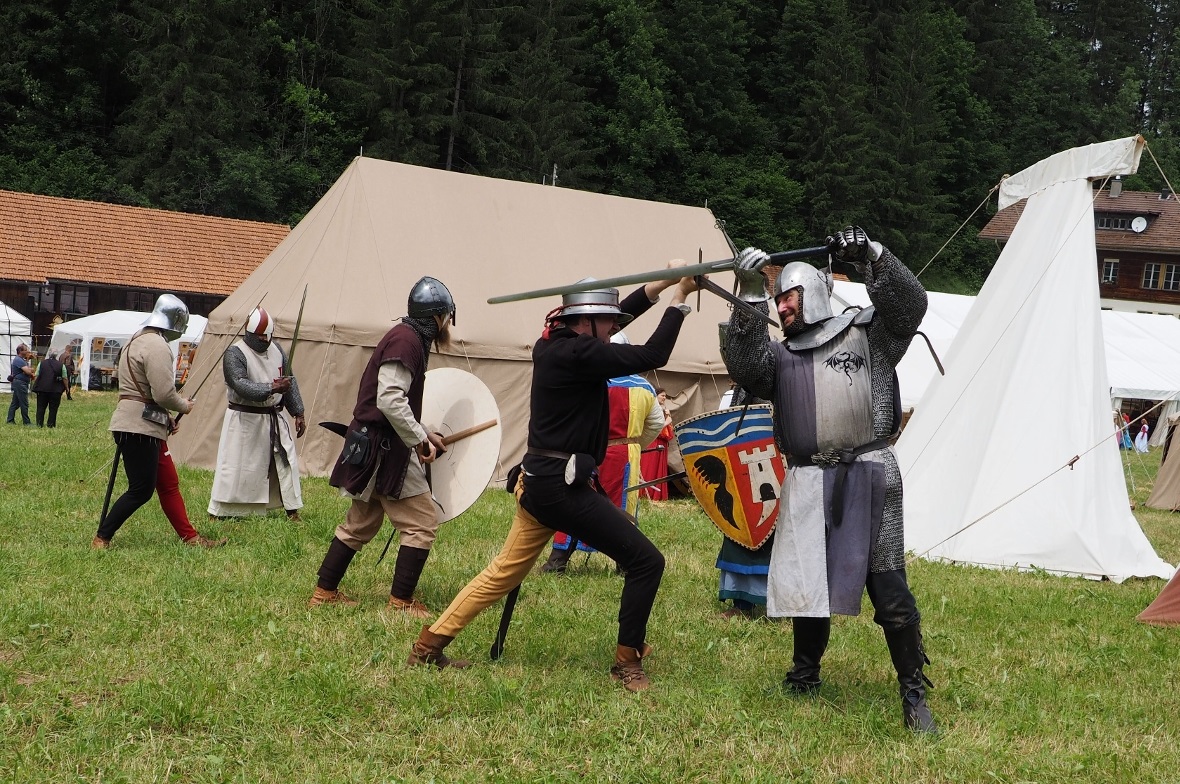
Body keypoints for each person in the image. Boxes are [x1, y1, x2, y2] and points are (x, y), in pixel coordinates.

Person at [407, 265, 698, 691]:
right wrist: (680, 300)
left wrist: (662, 284)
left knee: (502, 572)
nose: (614, 329)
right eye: (608, 322)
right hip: (559, 489)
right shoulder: (580, 354)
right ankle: (627, 662)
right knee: (647, 561)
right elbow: (654, 355)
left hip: (540, 481)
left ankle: (428, 645)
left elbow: (617, 320)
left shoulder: (555, 345)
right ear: (586, 322)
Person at [723, 227, 937, 733]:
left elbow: (911, 306)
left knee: (888, 586)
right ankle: (804, 674)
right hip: (806, 480)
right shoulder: (780, 357)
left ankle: (913, 691)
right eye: (777, 300)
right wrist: (749, 293)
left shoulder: (870, 335)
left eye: (789, 296)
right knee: (808, 582)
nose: (782, 307)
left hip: (869, 474)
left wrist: (873, 254)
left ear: (815, 291)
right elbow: (745, 364)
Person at [309, 277, 456, 617]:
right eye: (447, 317)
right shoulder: (407, 341)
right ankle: (401, 601)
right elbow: (389, 400)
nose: (447, 324)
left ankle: (324, 592)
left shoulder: (408, 338)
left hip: (376, 444)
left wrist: (425, 431)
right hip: (386, 451)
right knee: (421, 523)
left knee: (359, 524)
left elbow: (394, 402)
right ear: (437, 317)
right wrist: (419, 439)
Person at [94, 295, 224, 549]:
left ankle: (190, 537)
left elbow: (146, 393)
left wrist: (165, 418)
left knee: (168, 484)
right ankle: (102, 537)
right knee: (141, 490)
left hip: (145, 424)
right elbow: (163, 394)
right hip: (139, 428)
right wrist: (183, 405)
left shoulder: (137, 339)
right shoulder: (156, 345)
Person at [539, 337, 665, 574]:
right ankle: (625, 563)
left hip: (586, 452)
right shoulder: (644, 386)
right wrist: (634, 444)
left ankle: (558, 561)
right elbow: (656, 423)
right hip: (625, 454)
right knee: (620, 508)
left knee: (574, 504)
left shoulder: (585, 378)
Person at [208, 307, 306, 521]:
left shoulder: (277, 349)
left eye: (267, 335)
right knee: (237, 468)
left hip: (274, 418)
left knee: (284, 463)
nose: (264, 340)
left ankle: (291, 510)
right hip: (245, 421)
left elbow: (289, 380)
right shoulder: (235, 353)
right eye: (259, 336)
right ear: (249, 332)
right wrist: (272, 388)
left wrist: (298, 412)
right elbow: (240, 384)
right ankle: (221, 512)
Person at [639, 387, 674, 502]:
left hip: (661, 442)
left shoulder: (662, 410)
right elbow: (651, 427)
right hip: (653, 440)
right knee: (650, 466)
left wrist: (668, 418)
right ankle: (645, 493)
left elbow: (668, 432)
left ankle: (656, 494)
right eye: (662, 395)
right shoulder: (651, 408)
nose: (664, 398)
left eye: (665, 396)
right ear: (656, 396)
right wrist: (666, 422)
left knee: (658, 468)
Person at [32, 348, 68, 427]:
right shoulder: (61, 365)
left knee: (40, 408)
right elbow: (64, 378)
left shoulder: (42, 363)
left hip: (42, 389)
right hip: (55, 390)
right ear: (56, 355)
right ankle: (51, 424)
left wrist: (36, 384)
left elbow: (36, 375)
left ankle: (39, 424)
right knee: (53, 409)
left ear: (49, 354)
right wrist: (67, 388)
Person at [7, 343, 34, 425]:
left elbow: (27, 370)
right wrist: (30, 370)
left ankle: (10, 420)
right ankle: (26, 422)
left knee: (15, 403)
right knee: (24, 403)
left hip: (19, 383)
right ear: (20, 351)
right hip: (20, 384)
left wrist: (29, 369)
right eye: (25, 350)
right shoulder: (18, 360)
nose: (27, 351)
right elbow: (28, 371)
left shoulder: (22, 360)